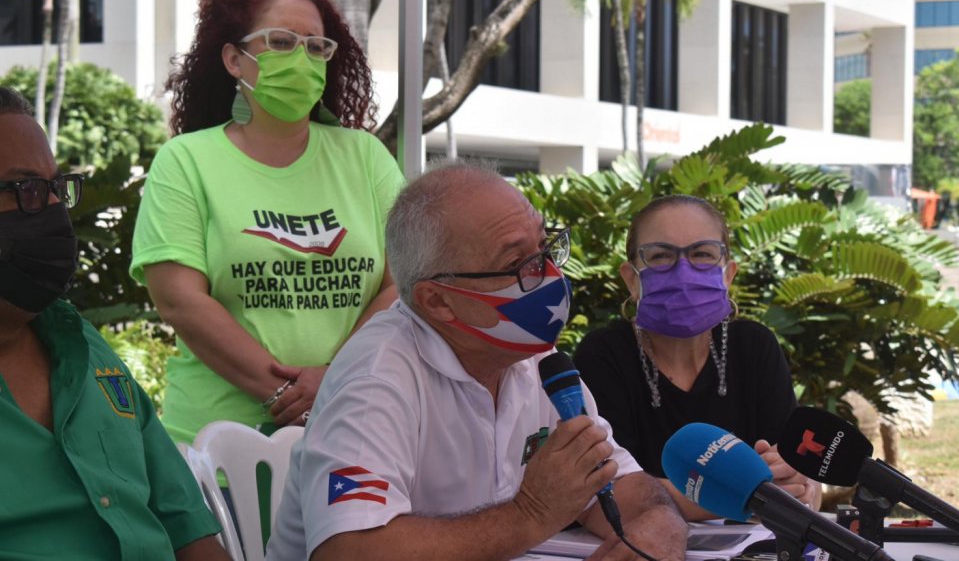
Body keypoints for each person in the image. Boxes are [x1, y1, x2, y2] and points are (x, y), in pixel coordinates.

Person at [266, 162, 688, 561]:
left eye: (545, 248)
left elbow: (615, 483)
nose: (549, 276)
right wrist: (531, 513)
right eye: (517, 263)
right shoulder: (378, 375)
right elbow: (349, 551)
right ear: (439, 301)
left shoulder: (535, 358)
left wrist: (662, 525)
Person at [130, 0, 405, 444]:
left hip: (355, 432)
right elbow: (180, 300)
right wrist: (289, 393)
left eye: (316, 47)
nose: (301, 58)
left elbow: (404, 283)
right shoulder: (185, 161)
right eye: (280, 42)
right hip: (217, 445)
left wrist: (334, 381)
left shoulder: (366, 157)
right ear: (234, 60)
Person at [0, 87, 230, 560]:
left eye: (55, 188)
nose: (52, 211)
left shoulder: (81, 347)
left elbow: (186, 524)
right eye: (26, 190)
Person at [573, 194, 821, 521]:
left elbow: (800, 480)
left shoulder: (754, 347)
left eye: (702, 254)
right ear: (631, 279)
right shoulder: (603, 356)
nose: (683, 271)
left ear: (728, 275)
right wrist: (754, 498)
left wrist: (802, 486)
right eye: (661, 256)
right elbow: (607, 492)